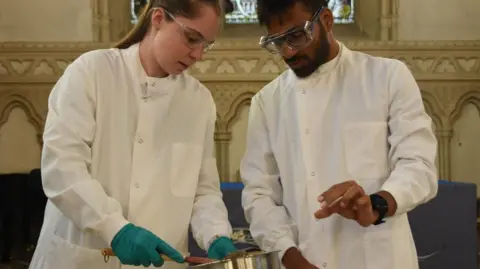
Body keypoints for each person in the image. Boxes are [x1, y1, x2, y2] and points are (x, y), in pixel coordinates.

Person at [28, 0, 238, 269]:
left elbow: (202, 190)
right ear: (159, 19)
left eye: (206, 44)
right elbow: (62, 168)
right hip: (84, 258)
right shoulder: (92, 73)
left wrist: (215, 234)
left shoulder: (198, 101)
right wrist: (115, 228)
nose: (198, 55)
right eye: (191, 38)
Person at [240, 0, 438, 269]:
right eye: (276, 42)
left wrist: (377, 204)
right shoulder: (267, 102)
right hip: (305, 257)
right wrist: (289, 255)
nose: (287, 51)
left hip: (381, 258)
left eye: (296, 36)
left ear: (327, 20)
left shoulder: (388, 76)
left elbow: (419, 165)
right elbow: (259, 194)